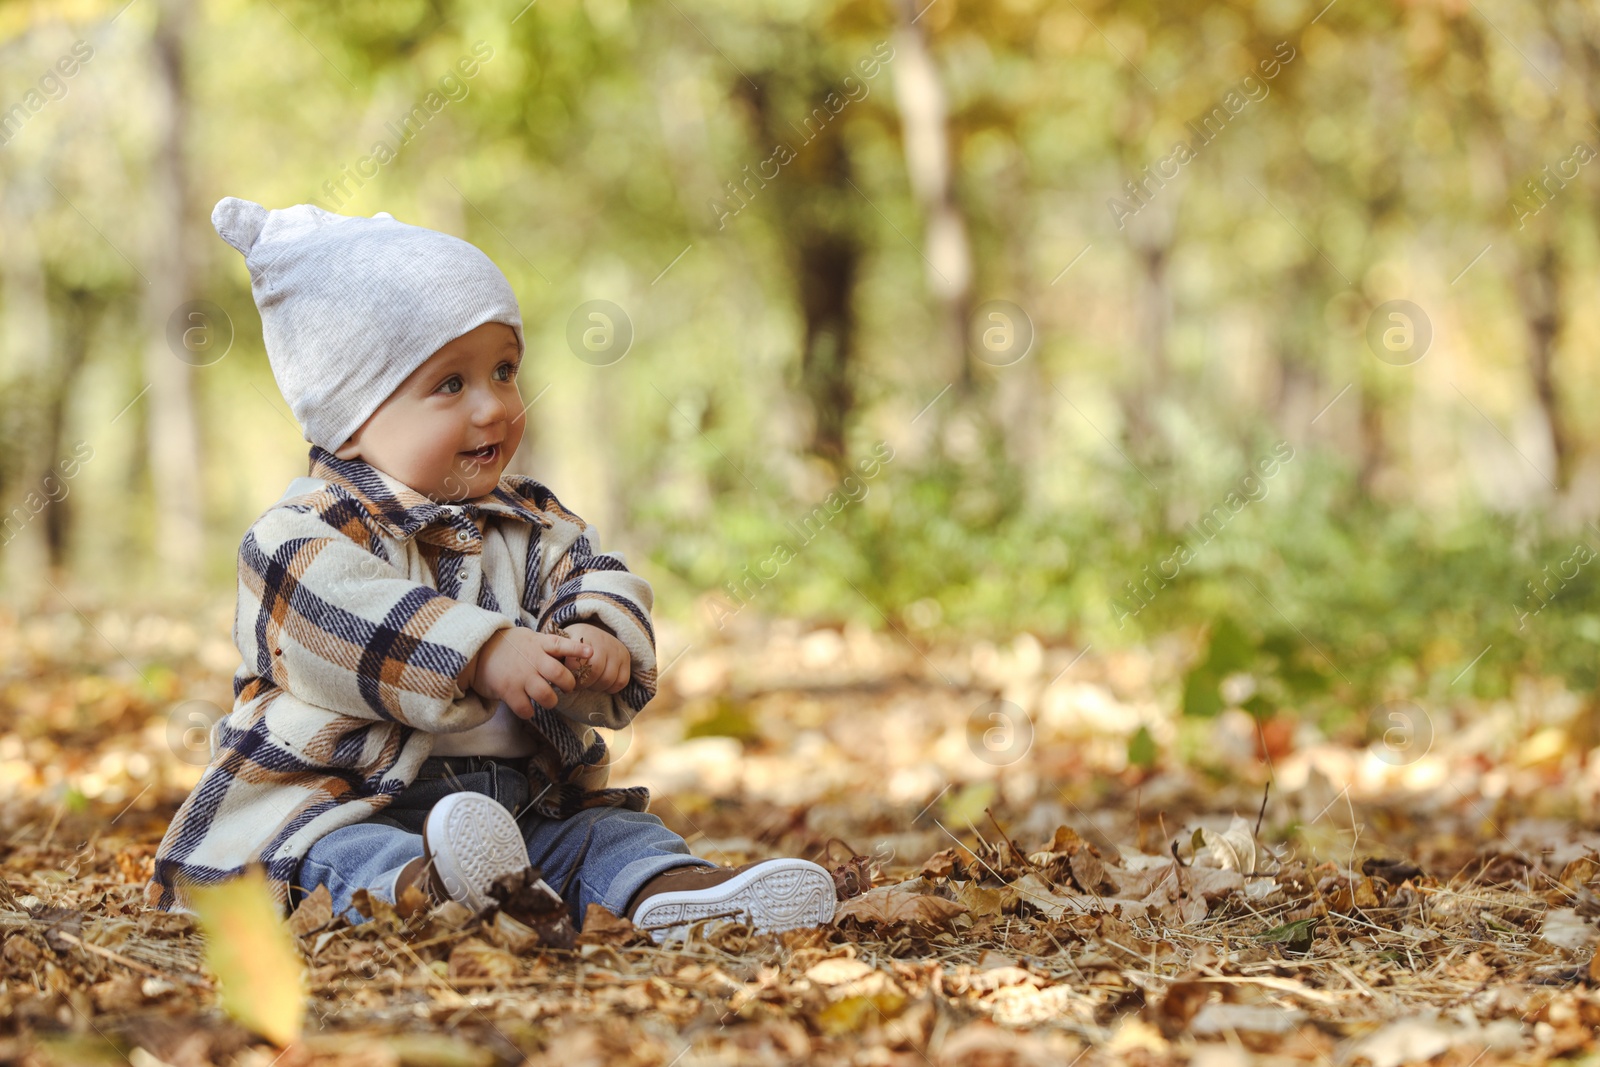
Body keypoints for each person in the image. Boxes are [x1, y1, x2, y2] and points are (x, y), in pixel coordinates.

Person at [142, 197, 836, 942]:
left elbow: (595, 569)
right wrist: (483, 649)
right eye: (451, 384)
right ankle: (427, 890)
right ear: (351, 414)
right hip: (343, 796)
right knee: (333, 852)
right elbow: (344, 618)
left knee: (603, 836)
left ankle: (674, 891)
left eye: (504, 370)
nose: (496, 406)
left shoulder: (533, 522)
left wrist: (596, 636)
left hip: (525, 810)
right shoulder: (301, 534)